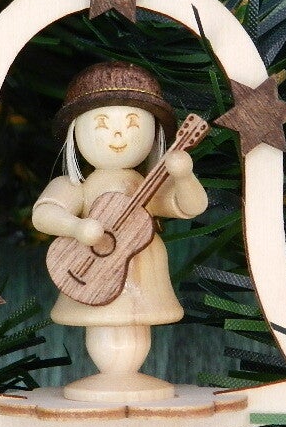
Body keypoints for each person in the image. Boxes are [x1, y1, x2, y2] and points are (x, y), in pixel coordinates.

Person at [32, 62, 208, 402]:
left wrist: (184, 175)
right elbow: (44, 214)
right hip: (87, 268)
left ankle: (126, 374)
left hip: (142, 270)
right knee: (103, 321)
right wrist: (77, 227)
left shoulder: (145, 185)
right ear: (76, 132)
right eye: (102, 124)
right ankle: (111, 375)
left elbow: (189, 206)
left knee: (135, 320)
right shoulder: (78, 186)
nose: (118, 136)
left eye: (132, 124)